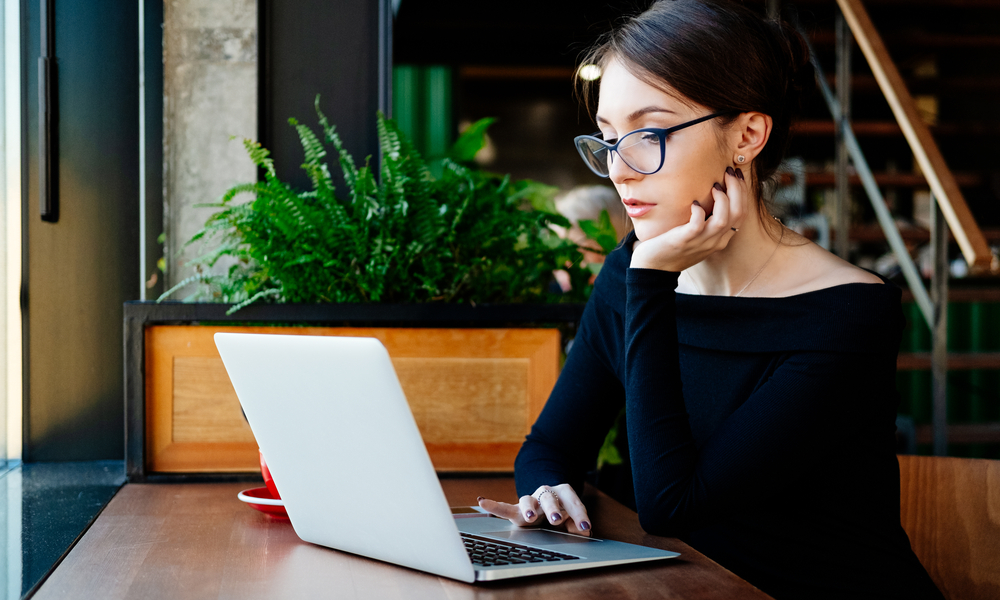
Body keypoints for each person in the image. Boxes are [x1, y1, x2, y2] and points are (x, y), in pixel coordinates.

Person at [476, 1, 944, 598]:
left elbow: (674, 504)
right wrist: (547, 492)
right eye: (609, 139)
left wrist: (651, 283)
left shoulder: (847, 312)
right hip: (690, 587)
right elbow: (551, 446)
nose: (619, 170)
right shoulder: (631, 271)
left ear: (747, 135)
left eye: (647, 135)